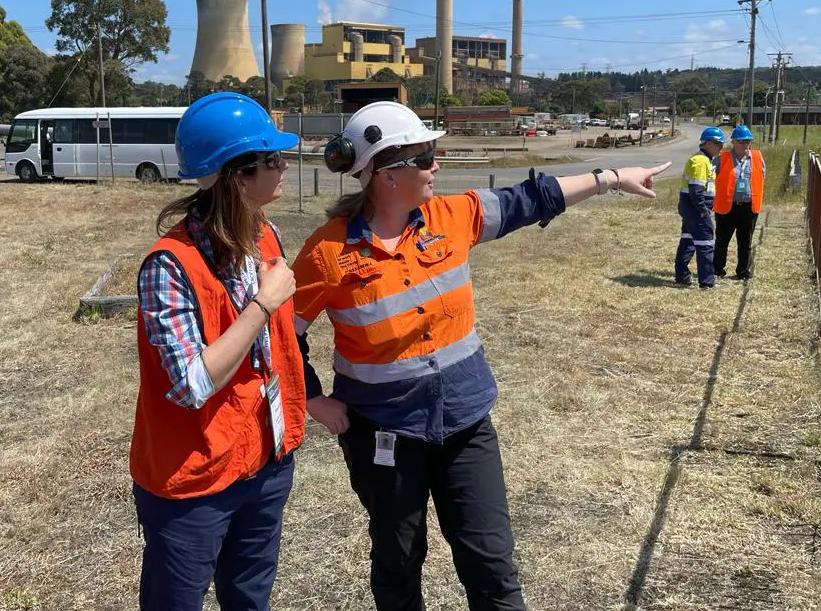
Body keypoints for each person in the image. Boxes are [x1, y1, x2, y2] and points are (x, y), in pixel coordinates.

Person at [290, 101, 669, 611]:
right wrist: (313, 399)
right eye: (425, 157)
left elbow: (531, 199)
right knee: (398, 559)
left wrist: (613, 177)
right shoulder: (326, 253)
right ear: (384, 173)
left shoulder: (453, 216)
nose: (436, 167)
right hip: (384, 433)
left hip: (466, 421)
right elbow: (281, 334)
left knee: (490, 562)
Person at [129, 91, 306, 611]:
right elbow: (189, 384)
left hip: (266, 462)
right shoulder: (168, 265)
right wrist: (262, 304)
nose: (283, 166)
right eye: (272, 159)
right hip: (194, 479)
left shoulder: (266, 234)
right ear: (237, 175)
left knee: (250, 599)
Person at [674, 126, 725, 289]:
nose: (720, 148)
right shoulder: (702, 161)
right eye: (718, 144)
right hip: (697, 209)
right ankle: (707, 282)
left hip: (690, 208)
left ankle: (682, 276)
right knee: (706, 244)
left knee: (688, 241)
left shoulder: (701, 159)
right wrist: (704, 210)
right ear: (708, 143)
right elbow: (696, 190)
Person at [713, 124, 766, 280]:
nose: (746, 145)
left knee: (745, 243)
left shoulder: (757, 157)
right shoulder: (722, 159)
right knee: (722, 241)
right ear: (733, 142)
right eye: (742, 141)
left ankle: (743, 272)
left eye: (748, 141)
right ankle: (717, 270)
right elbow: (711, 178)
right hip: (726, 207)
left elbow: (762, 176)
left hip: (749, 207)